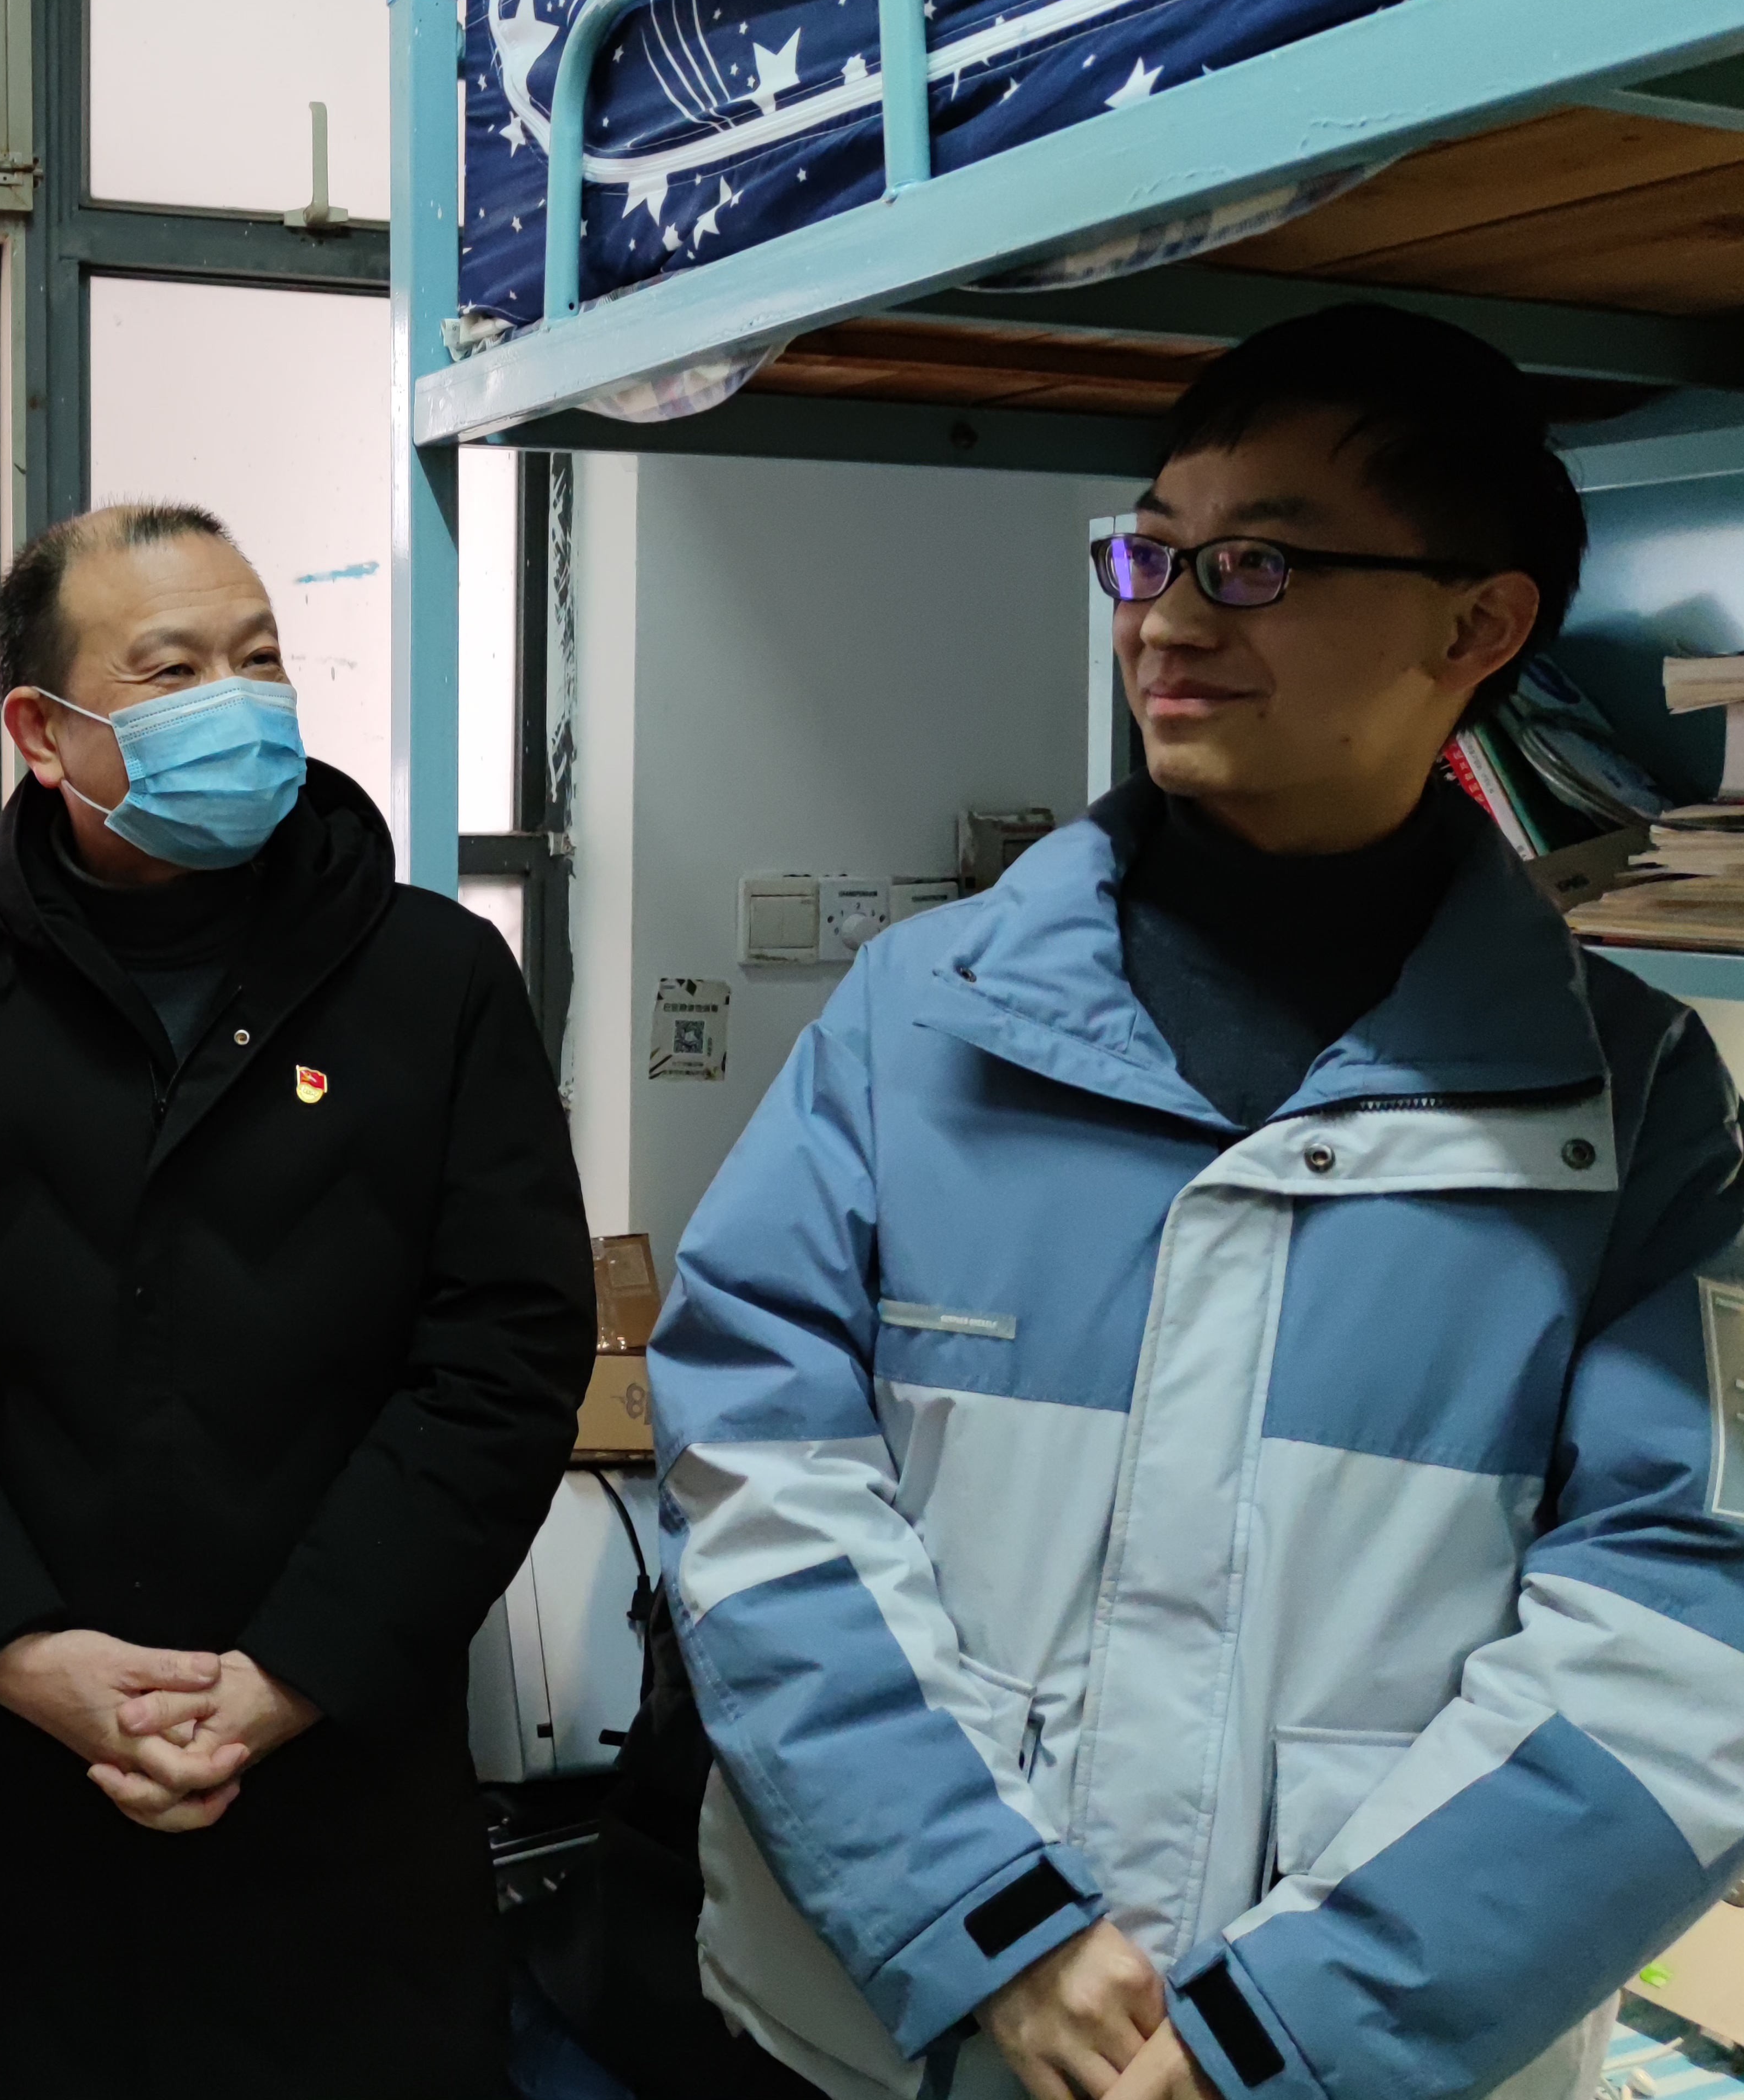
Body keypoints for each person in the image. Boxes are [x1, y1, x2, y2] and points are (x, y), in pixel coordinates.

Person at [656, 307, 1744, 2100]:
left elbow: (1684, 1626)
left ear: (1478, 627)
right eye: (1150, 552)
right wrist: (990, 1921)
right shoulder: (922, 1016)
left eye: (1258, 564)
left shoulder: (1625, 1101)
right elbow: (756, 1481)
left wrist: (1287, 2030)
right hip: (899, 2028)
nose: (1166, 618)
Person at [0, 503, 595, 2100]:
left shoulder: (433, 981)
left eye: (258, 658)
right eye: (174, 669)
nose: (241, 700)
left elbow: (503, 1356)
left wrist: (290, 1674)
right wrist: (22, 1652)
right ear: (42, 733)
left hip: (343, 1793)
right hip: (15, 1814)